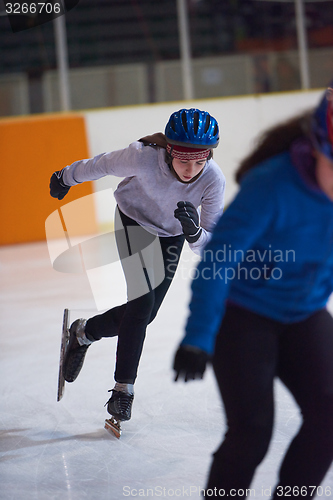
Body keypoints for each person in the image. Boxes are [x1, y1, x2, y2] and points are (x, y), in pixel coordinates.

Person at [173, 87, 333, 498]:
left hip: (305, 313)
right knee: (252, 432)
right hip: (244, 314)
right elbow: (217, 261)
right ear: (317, 148)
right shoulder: (272, 186)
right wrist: (198, 336)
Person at [50, 108, 225, 424]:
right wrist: (66, 176)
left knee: (146, 313)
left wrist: (195, 233)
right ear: (169, 149)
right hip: (134, 222)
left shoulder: (213, 180)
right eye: (184, 160)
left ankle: (83, 332)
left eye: (200, 161)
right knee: (142, 303)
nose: (191, 169)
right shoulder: (143, 157)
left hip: (172, 235)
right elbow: (101, 164)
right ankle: (123, 390)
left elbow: (211, 245)